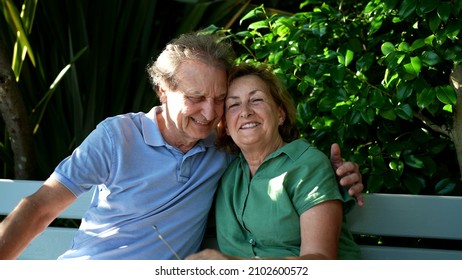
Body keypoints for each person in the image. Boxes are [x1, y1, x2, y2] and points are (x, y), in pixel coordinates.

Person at [0, 30, 362, 260]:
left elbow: (279, 161)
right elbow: (40, 206)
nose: (209, 113)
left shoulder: (221, 150)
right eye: (195, 97)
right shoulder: (117, 137)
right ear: (162, 90)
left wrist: (335, 177)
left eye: (220, 98)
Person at [186, 63, 361, 260]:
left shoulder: (307, 165)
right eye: (234, 104)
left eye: (257, 100)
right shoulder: (226, 173)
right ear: (225, 126)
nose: (245, 112)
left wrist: (235, 266)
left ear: (280, 114)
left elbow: (321, 260)